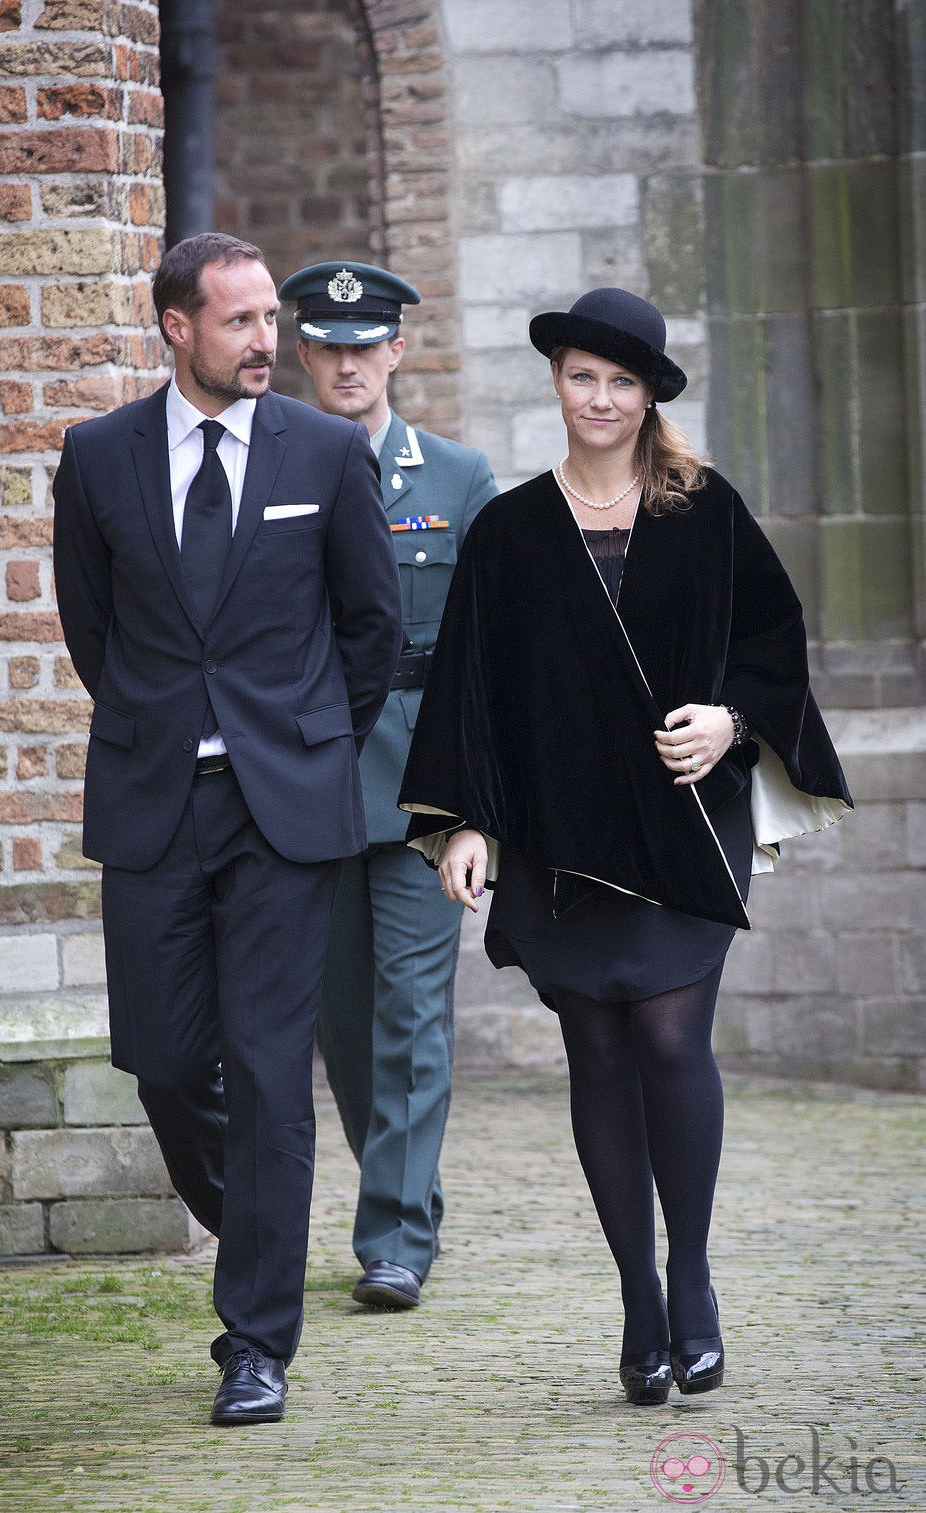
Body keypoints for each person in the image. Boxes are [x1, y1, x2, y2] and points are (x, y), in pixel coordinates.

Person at [398, 288, 852, 1404]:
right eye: (581, 376)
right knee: (594, 1055)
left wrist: (727, 720)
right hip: (560, 837)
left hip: (683, 828)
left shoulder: (703, 511)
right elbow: (470, 693)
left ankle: (690, 1282)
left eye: (620, 381)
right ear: (556, 382)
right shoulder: (506, 531)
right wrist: (463, 824)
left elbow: (773, 644)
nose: (598, 398)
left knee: (666, 1039)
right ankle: (636, 1304)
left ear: (648, 396)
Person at [52, 233, 402, 1425]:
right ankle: (260, 1214)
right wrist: (168, 728)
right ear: (175, 327)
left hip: (283, 814)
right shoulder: (96, 458)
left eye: (272, 322)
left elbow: (371, 628)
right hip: (154, 801)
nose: (270, 342)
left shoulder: (323, 451)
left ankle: (255, 1338)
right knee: (161, 1062)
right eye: (244, 322)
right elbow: (90, 633)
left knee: (266, 1074)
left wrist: (302, 748)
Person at [277, 261, 497, 1309]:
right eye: (328, 345)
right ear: (303, 354)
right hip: (305, 781)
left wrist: (477, 809)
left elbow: (494, 656)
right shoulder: (268, 465)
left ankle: (396, 1237)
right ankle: (402, 1192)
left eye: (367, 345)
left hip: (421, 787)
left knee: (412, 1011)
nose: (348, 363)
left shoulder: (456, 478)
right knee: (344, 1025)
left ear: (396, 352)